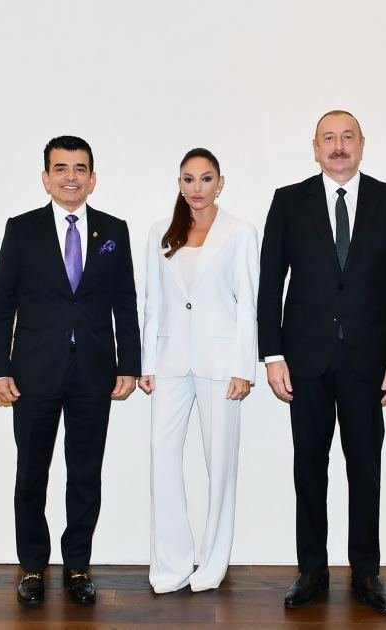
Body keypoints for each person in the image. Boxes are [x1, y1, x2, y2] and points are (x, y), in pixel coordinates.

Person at [257, 111, 386, 613]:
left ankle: (366, 572)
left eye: (347, 137)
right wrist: (272, 354)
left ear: (362, 144)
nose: (338, 146)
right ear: (314, 147)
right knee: (309, 467)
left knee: (365, 469)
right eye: (328, 138)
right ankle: (311, 570)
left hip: (369, 362)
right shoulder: (288, 202)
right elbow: (269, 283)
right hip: (304, 361)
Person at [0, 135, 141, 606]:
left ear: (93, 178)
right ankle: (33, 566)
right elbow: (1, 304)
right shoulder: (22, 229)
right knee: (31, 473)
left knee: (85, 473)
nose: (71, 177)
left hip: (94, 372)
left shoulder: (114, 230)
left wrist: (129, 364)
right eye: (61, 168)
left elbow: (125, 302)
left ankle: (77, 566)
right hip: (33, 373)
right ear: (46, 177)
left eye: (79, 168)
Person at [139, 148, 259, 593]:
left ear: (220, 183)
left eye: (206, 179)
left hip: (221, 363)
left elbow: (247, 304)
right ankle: (170, 565)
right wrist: (147, 362)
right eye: (188, 179)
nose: (197, 188)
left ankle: (211, 564)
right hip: (170, 361)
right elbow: (152, 301)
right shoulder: (160, 232)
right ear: (179, 183)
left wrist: (244, 366)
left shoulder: (240, 232)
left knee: (220, 463)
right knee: (162, 456)